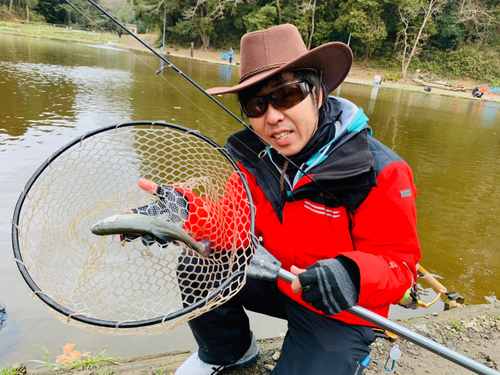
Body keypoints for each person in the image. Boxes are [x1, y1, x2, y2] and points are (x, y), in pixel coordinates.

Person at [134, 24, 421, 374]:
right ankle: (230, 352)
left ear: (317, 94)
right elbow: (234, 228)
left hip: (339, 306)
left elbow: (399, 267)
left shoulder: (381, 170)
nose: (272, 117)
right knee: (198, 264)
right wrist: (184, 213)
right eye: (256, 105)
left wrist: (351, 273)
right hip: (281, 280)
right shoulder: (249, 156)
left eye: (287, 95)